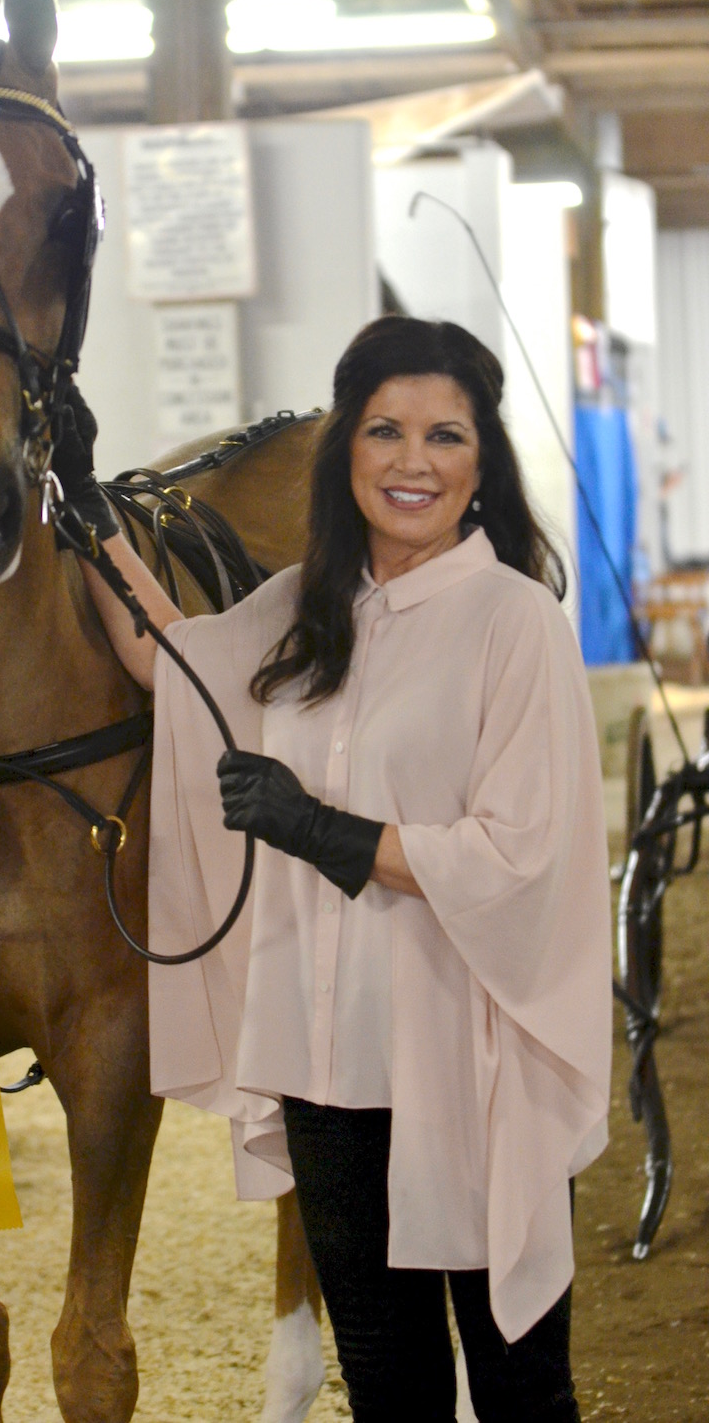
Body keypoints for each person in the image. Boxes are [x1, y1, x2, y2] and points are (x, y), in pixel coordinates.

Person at [54, 315, 612, 1423]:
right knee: (385, 1376)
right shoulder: (308, 606)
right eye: (385, 431)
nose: (413, 461)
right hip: (326, 1060)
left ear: (481, 461)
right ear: (344, 451)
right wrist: (81, 504)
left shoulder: (517, 623)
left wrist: (323, 831)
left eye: (445, 436)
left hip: (464, 1054)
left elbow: (520, 852)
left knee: (512, 1380)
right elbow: (179, 662)